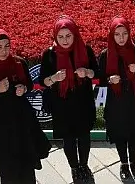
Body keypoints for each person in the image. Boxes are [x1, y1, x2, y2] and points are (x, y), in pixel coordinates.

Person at [0, 30, 51, 184]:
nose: (3, 51)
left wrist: (24, 88)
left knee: (27, 160)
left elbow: (28, 83)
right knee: (8, 166)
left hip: (22, 118)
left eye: (7, 46)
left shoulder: (18, 63)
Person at [39, 16, 98, 183]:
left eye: (68, 36)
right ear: (55, 36)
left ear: (75, 35)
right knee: (69, 138)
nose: (65, 40)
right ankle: (74, 167)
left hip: (83, 102)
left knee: (84, 136)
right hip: (62, 104)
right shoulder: (50, 54)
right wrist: (54, 78)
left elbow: (97, 73)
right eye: (61, 36)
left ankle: (84, 165)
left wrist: (86, 72)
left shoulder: (85, 50)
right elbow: (43, 81)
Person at [98, 17, 135, 180]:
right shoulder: (106, 54)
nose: (121, 37)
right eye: (117, 34)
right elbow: (101, 79)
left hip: (133, 98)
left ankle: (133, 162)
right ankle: (124, 163)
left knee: (133, 133)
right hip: (116, 100)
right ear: (112, 35)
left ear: (129, 34)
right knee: (120, 133)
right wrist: (109, 80)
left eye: (124, 33)